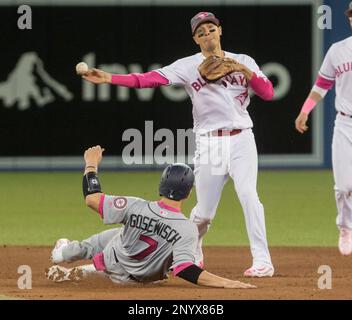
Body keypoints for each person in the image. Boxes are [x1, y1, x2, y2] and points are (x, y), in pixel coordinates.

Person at [81, 12, 275, 277]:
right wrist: (109, 78)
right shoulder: (187, 66)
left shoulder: (243, 60)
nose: (207, 35)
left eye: (210, 29)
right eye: (201, 32)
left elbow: (268, 92)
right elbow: (147, 80)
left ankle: (262, 260)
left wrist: (242, 69)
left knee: (249, 195)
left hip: (242, 138)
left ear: (220, 30)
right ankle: (193, 251)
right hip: (210, 143)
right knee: (204, 213)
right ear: (195, 39)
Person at [46, 145, 255, 288]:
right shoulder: (187, 229)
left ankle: (64, 255)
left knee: (104, 241)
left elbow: (92, 199)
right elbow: (185, 269)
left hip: (114, 259)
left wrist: (91, 163)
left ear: (161, 186)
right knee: (116, 237)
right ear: (189, 192)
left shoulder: (135, 205)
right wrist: (227, 283)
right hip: (142, 281)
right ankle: (82, 267)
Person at [295, 3, 352, 256]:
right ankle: (346, 228)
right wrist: (305, 110)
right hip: (345, 123)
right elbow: (322, 85)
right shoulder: (337, 51)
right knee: (343, 186)